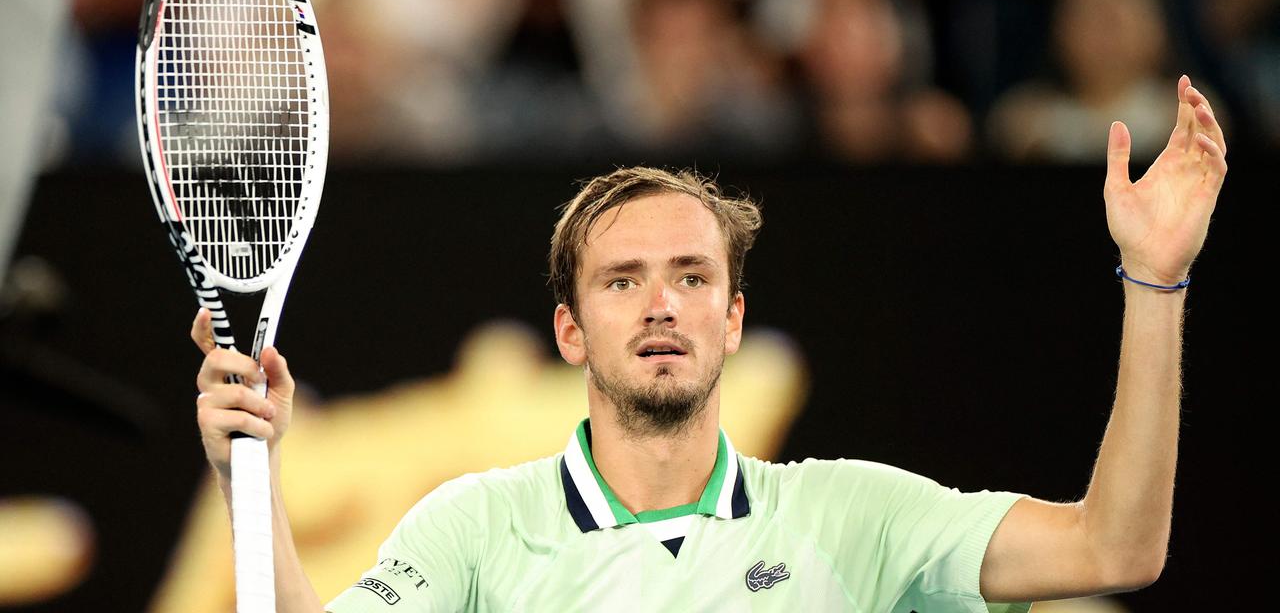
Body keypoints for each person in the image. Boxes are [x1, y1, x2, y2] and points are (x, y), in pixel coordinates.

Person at [190, 76, 1227, 612]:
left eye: (691, 277)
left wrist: (1154, 280)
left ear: (730, 321)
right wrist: (252, 470)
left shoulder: (853, 518)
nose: (660, 305)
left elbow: (1114, 549)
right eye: (620, 280)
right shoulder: (473, 528)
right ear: (568, 329)